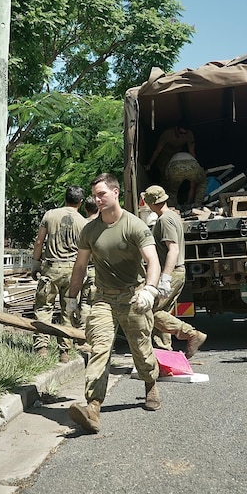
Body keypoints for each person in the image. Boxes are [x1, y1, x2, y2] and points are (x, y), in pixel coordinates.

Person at [66, 173, 163, 433]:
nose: (97, 200)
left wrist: (150, 290)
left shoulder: (134, 226)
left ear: (116, 192)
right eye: (95, 196)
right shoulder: (90, 230)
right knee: (99, 347)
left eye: (102, 194)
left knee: (141, 349)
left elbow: (153, 262)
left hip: (134, 297)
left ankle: (150, 383)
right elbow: (80, 266)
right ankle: (93, 408)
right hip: (103, 298)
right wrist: (71, 299)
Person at [141, 185, 208, 356]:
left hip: (172, 271)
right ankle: (164, 351)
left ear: (150, 203)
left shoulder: (165, 220)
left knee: (151, 311)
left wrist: (165, 278)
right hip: (176, 271)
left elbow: (173, 249)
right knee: (163, 313)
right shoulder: (172, 216)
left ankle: (191, 334)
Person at [31, 186, 87, 362]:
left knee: (43, 308)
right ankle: (64, 352)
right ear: (81, 202)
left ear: (65, 198)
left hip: (51, 269)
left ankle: (42, 349)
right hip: (73, 273)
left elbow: (40, 241)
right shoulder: (84, 223)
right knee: (68, 310)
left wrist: (35, 263)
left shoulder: (49, 215)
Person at [78, 196, 99, 325]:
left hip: (87, 269)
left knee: (85, 303)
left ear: (85, 208)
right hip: (102, 270)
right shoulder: (106, 225)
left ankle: (82, 336)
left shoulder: (82, 225)